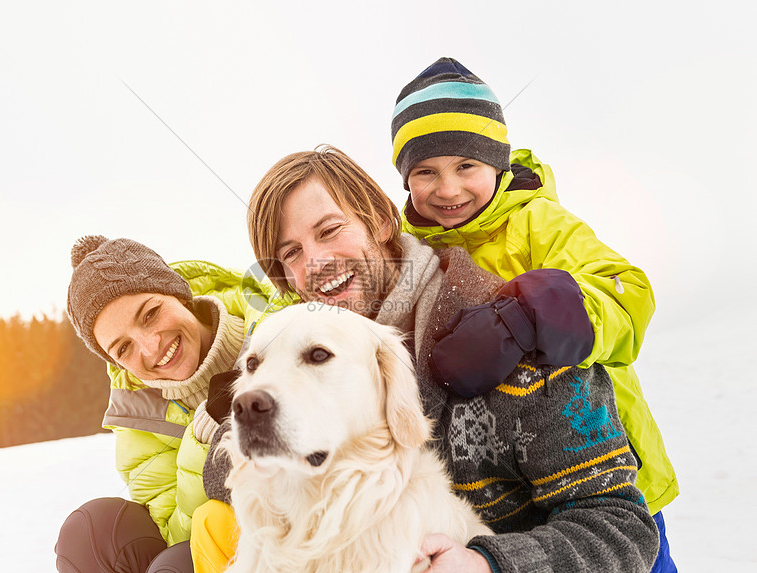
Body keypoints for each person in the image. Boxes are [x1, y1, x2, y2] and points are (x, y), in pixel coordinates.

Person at [194, 146, 659, 573]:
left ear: (379, 221)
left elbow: (621, 528)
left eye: (330, 230)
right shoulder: (288, 337)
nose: (314, 263)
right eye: (290, 253)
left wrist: (488, 564)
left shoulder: (519, 338)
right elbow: (230, 468)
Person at [390, 57, 677, 572]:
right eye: (425, 172)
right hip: (497, 499)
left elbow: (628, 294)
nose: (448, 189)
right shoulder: (409, 249)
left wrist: (522, 318)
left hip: (602, 465)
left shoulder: (536, 221)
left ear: (496, 165)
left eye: (466, 166)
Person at [55, 235, 284, 573]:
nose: (150, 348)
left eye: (150, 314)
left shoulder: (278, 319)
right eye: (123, 349)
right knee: (92, 531)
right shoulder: (139, 424)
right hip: (225, 546)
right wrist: (201, 442)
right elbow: (179, 540)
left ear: (180, 294)